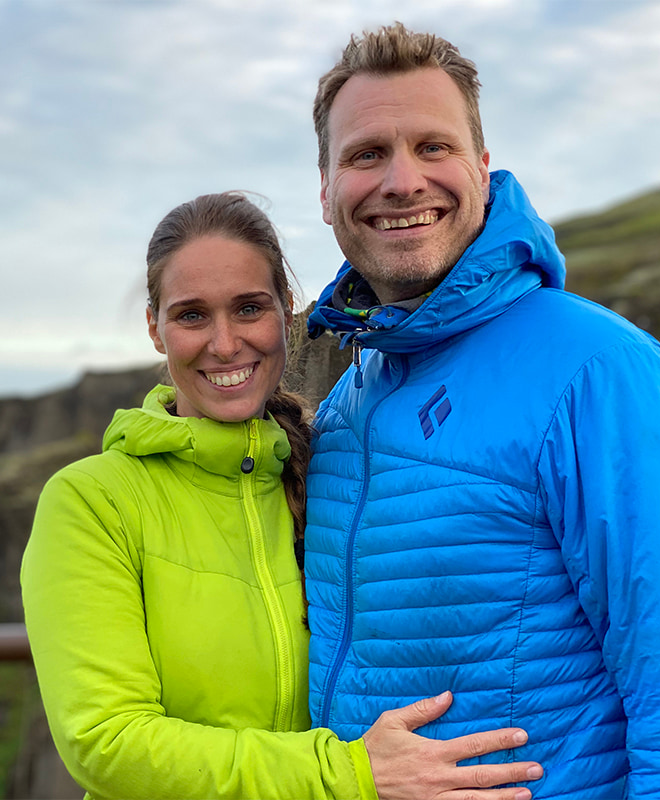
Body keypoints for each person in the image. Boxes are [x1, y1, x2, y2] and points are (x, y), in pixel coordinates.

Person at [21, 191, 543, 800]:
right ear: (155, 329)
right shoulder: (90, 502)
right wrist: (345, 773)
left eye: (248, 309)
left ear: (287, 313)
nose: (223, 344)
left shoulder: (334, 475)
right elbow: (106, 741)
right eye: (191, 315)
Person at [303, 22, 660, 800]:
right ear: (325, 191)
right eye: (365, 154)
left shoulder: (596, 367)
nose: (403, 180)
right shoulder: (349, 400)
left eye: (433, 147)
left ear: (483, 169)